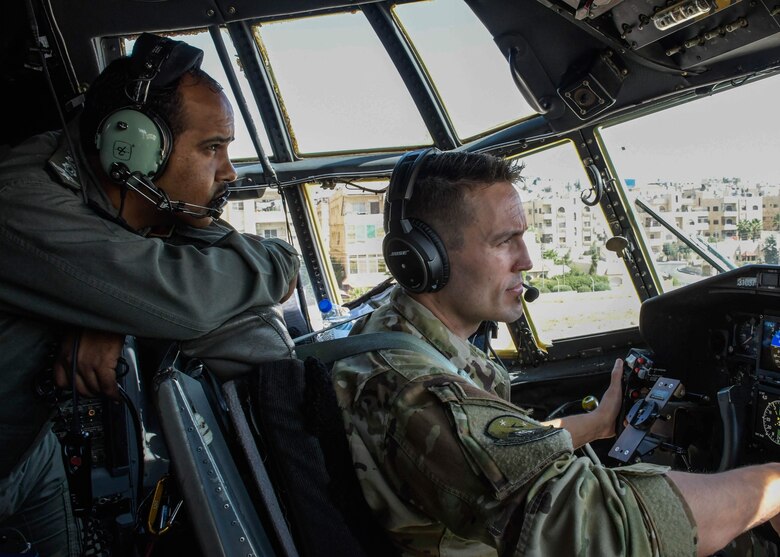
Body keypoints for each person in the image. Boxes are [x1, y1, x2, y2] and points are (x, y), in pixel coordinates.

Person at [331, 149, 780, 556]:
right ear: (423, 256)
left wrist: (598, 424)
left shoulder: (396, 338)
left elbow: (489, 454)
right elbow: (604, 531)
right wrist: (772, 484)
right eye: (504, 240)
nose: (526, 259)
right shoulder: (418, 388)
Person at [0, 34, 299, 556]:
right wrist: (122, 299)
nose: (229, 171)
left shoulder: (128, 195)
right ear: (132, 146)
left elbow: (281, 259)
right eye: (212, 148)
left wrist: (110, 309)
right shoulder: (20, 202)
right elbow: (191, 302)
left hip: (27, 454)